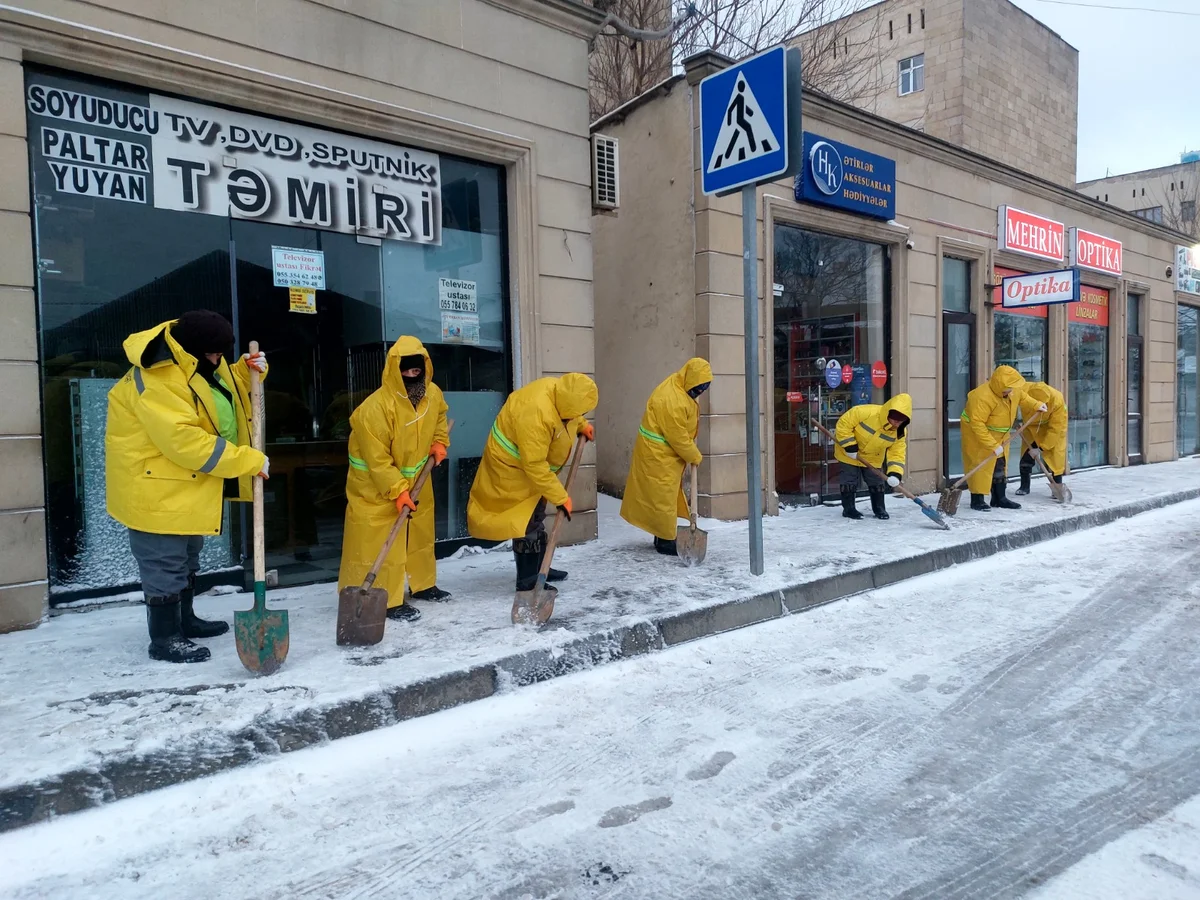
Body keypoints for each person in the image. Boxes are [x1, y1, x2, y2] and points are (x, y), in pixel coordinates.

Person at [106, 311, 269, 664]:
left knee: (186, 557)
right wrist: (248, 460)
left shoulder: (200, 361)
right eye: (213, 354)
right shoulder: (157, 377)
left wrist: (245, 371)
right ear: (193, 348)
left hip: (185, 486)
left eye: (222, 354)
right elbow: (183, 440)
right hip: (156, 488)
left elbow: (217, 396)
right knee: (163, 563)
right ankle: (164, 638)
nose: (218, 360)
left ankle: (185, 620)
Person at [336, 337, 450, 623]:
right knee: (378, 540)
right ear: (395, 370)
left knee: (419, 535)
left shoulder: (432, 394)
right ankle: (385, 597)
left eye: (418, 371)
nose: (414, 376)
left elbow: (439, 418)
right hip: (375, 487)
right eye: (407, 372)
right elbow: (377, 460)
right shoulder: (374, 409)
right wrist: (397, 490)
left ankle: (423, 584)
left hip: (416, 483)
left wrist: (439, 442)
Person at [467, 373, 598, 597]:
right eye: (577, 414)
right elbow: (535, 465)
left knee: (536, 515)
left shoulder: (562, 395)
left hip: (531, 467)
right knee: (524, 521)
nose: (578, 416)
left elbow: (569, 415)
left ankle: (540, 568)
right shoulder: (536, 413)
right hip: (511, 468)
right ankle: (527, 582)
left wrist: (581, 425)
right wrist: (560, 497)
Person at [620, 358, 712, 554]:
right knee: (663, 497)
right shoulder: (671, 400)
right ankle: (665, 541)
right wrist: (694, 455)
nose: (699, 393)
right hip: (658, 454)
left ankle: (661, 534)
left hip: (663, 451)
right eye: (697, 389)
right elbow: (677, 436)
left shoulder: (679, 384)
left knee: (663, 496)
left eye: (703, 388)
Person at [960, 365, 1036, 511]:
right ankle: (977, 500)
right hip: (978, 435)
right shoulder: (981, 397)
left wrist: (1038, 405)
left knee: (1000, 463)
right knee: (980, 465)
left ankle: (999, 498)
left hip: (1001, 434)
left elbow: (1024, 398)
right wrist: (992, 445)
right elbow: (977, 424)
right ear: (1000, 385)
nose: (1011, 391)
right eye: (1008, 388)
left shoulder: (1012, 390)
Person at [833, 394, 912, 521]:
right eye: (895, 419)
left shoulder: (900, 431)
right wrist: (849, 445)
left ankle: (879, 509)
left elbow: (897, 452)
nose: (897, 423)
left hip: (873, 457)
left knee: (876, 482)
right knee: (849, 480)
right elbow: (844, 424)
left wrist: (895, 473)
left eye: (901, 421)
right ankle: (849, 509)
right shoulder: (866, 412)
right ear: (888, 413)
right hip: (849, 453)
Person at [1016, 381, 1068, 495]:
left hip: (1052, 428)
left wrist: (1040, 449)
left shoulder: (1057, 399)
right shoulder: (1022, 390)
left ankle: (1057, 489)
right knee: (1026, 456)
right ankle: (1024, 487)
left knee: (1055, 460)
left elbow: (1055, 429)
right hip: (1030, 427)